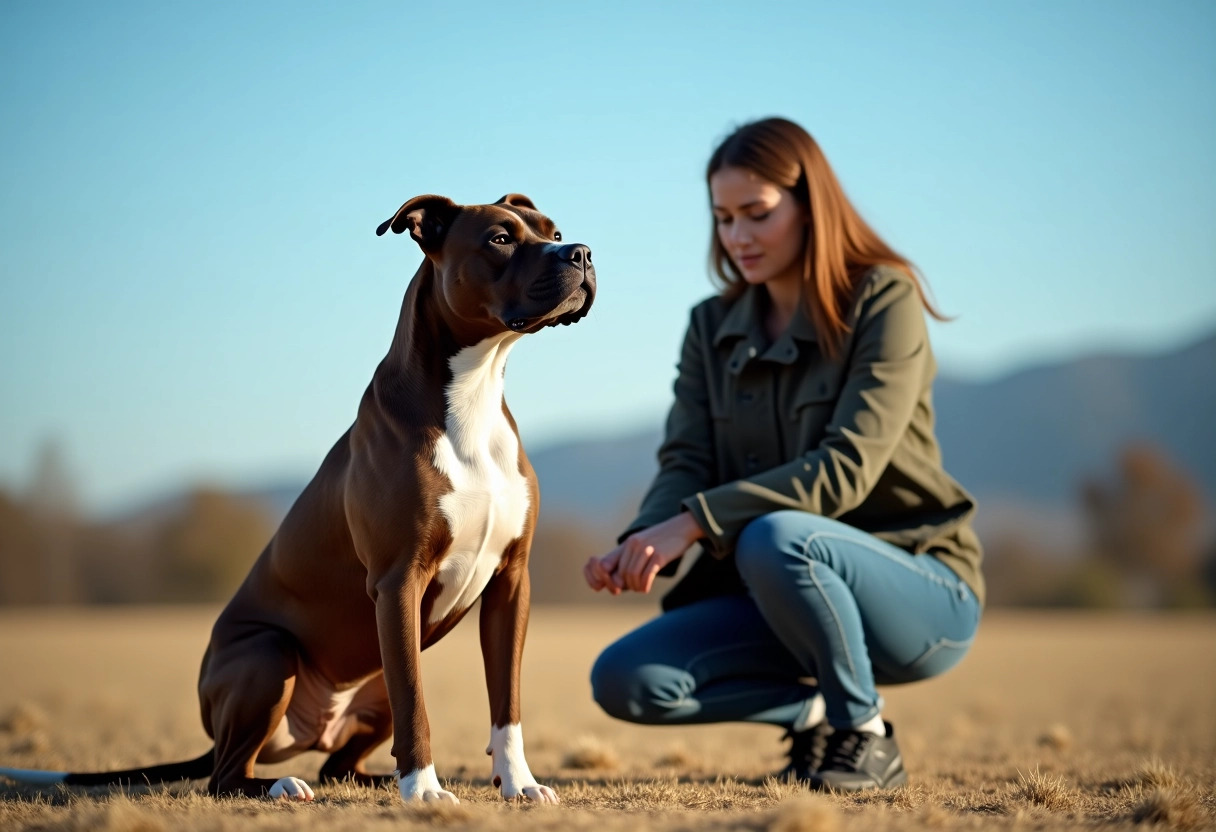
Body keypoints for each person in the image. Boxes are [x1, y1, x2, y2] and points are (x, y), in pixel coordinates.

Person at [583, 117, 983, 792]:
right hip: (777, 595)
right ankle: (817, 713)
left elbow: (847, 468)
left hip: (919, 595)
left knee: (777, 537)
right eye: (723, 218)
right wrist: (646, 540)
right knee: (627, 680)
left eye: (756, 214)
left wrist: (696, 523)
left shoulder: (885, 299)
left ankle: (865, 735)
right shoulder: (709, 326)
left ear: (809, 206)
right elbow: (685, 456)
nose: (737, 237)